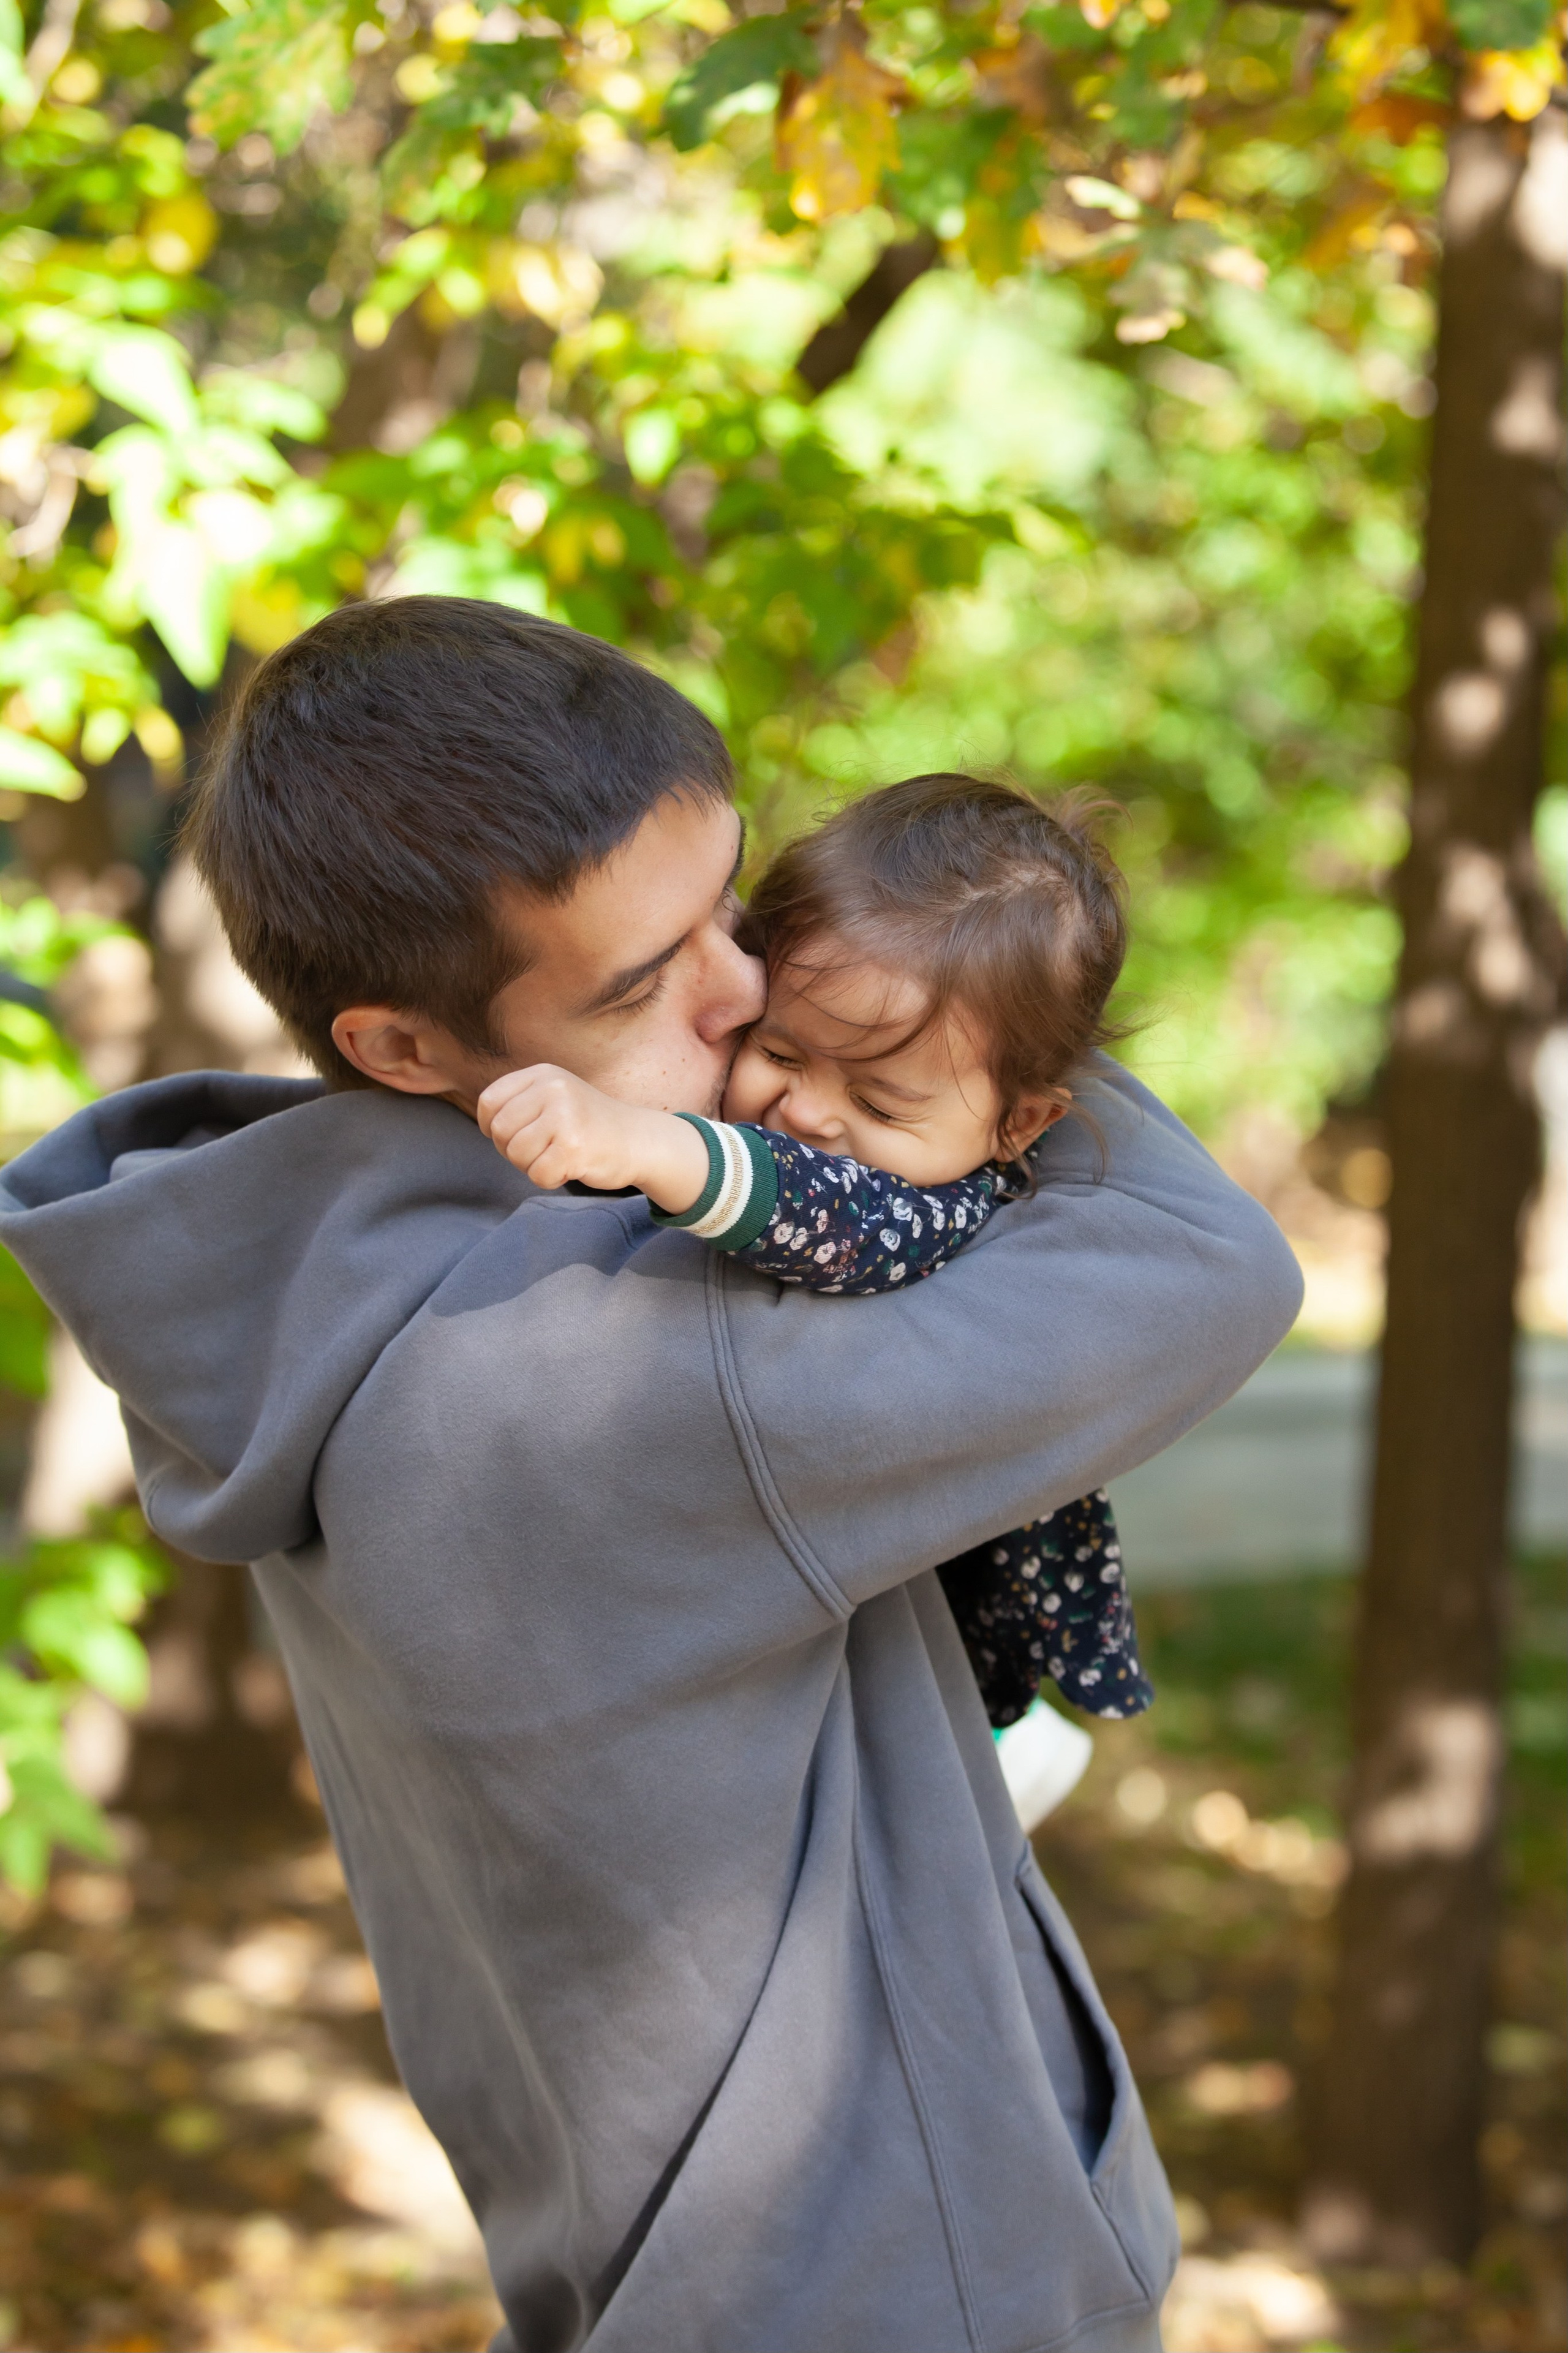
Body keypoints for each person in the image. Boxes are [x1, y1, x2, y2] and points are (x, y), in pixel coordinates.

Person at [0, 599, 1302, 2353]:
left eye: (741, 906)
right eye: (645, 977)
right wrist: (958, 995)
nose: (755, 992)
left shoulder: (327, 1288)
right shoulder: (631, 1375)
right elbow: (1204, 1266)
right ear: (401, 1048)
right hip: (914, 2287)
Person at [477, 770, 1155, 1729]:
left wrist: (652, 1144)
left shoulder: (951, 1206)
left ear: (1021, 1122)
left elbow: (841, 1221)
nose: (805, 1113)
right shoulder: (878, 1099)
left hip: (953, 1622)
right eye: (782, 1051)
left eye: (879, 1102)